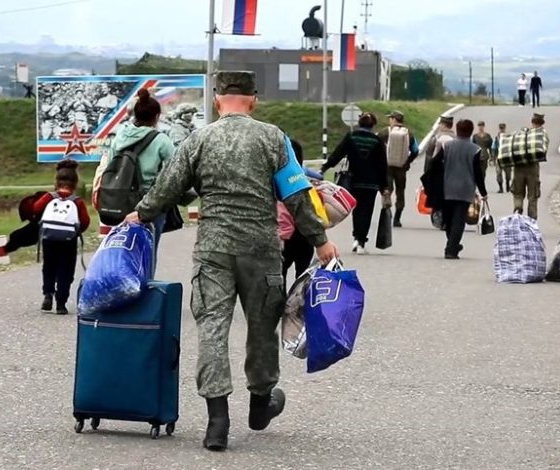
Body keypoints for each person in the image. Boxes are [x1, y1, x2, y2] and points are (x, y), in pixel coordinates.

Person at [124, 71, 338, 452]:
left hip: (214, 250)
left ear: (217, 100)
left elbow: (167, 188)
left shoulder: (199, 139)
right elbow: (296, 193)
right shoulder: (274, 138)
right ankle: (260, 405)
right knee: (261, 329)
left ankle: (217, 422)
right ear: (253, 100)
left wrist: (139, 215)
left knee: (213, 328)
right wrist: (320, 240)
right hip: (261, 249)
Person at [92, 89, 175, 251]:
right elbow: (173, 172)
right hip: (148, 203)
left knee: (122, 247)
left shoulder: (120, 137)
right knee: (147, 252)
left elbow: (110, 165)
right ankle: (143, 277)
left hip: (121, 200)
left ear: (135, 115)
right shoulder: (162, 141)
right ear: (157, 117)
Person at [322, 112, 389, 254]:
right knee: (366, 211)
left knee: (356, 210)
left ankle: (355, 238)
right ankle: (361, 242)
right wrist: (384, 187)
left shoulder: (351, 137)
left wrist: (325, 168)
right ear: (373, 125)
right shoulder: (377, 141)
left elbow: (337, 154)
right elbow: (382, 166)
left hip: (353, 181)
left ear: (359, 123)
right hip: (371, 183)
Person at [33, 160, 90, 315]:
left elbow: (35, 208)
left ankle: (48, 294)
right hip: (68, 241)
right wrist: (74, 231)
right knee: (66, 270)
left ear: (56, 181)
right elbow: (85, 222)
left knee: (49, 267)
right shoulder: (77, 201)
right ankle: (61, 303)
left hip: (49, 238)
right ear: (75, 182)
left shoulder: (49, 197)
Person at [425, 119, 488, 259]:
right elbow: (478, 174)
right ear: (471, 131)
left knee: (448, 219)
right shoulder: (475, 149)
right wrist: (483, 192)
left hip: (447, 187)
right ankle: (452, 248)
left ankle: (451, 245)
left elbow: (434, 162)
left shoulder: (447, 146)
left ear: (457, 130)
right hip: (465, 189)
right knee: (459, 220)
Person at [277, 138, 316, 287]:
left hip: (283, 235)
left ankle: (281, 307)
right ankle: (299, 306)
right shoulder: (307, 177)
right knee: (303, 275)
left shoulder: (275, 178)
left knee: (280, 274)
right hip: (305, 233)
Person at [378, 110, 419, 227]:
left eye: (390, 118)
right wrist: (408, 161)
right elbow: (415, 150)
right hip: (401, 168)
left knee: (387, 191)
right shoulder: (409, 133)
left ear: (394, 119)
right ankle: (397, 219)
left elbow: (376, 148)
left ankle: (386, 215)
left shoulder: (384, 132)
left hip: (387, 167)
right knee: (400, 192)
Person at [512, 113, 549, 220]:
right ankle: (531, 220)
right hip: (533, 168)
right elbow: (543, 151)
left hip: (518, 167)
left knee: (518, 193)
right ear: (542, 123)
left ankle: (517, 212)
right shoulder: (542, 135)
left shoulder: (523, 133)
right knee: (533, 196)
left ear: (532, 122)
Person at [492, 123, 512, 193]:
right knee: (498, 173)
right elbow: (493, 148)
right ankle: (501, 188)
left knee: (508, 174)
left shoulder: (508, 137)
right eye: (501, 128)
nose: (502, 129)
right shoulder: (496, 138)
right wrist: (493, 159)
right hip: (499, 158)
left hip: (507, 157)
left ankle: (508, 186)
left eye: (503, 128)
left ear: (505, 128)